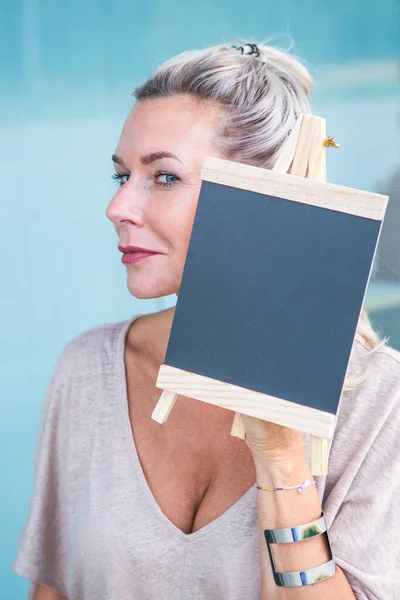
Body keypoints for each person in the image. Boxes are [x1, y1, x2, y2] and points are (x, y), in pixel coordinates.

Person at [13, 41, 400, 600]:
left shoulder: (379, 403)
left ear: (269, 195)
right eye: (121, 176)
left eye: (163, 177)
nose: (118, 207)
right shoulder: (88, 371)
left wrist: (281, 453)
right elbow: (55, 589)